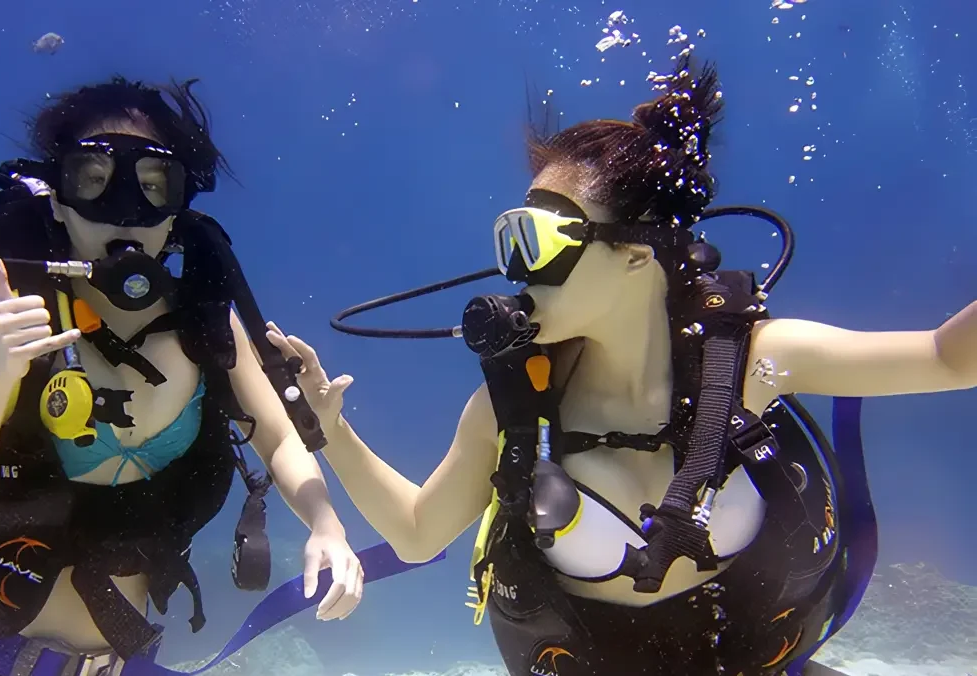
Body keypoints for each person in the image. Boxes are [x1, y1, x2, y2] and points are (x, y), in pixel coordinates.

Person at [268, 55, 977, 676]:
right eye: (511, 240)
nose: (517, 271)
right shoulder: (516, 407)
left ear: (637, 256)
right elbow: (420, 532)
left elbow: (949, 358)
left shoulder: (757, 362)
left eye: (538, 241)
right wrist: (334, 431)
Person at [0, 76, 365, 676]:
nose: (126, 211)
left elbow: (277, 437)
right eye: (93, 181)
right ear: (58, 200)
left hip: (118, 658)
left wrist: (327, 523)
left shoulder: (203, 320)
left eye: (152, 186)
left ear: (177, 211)